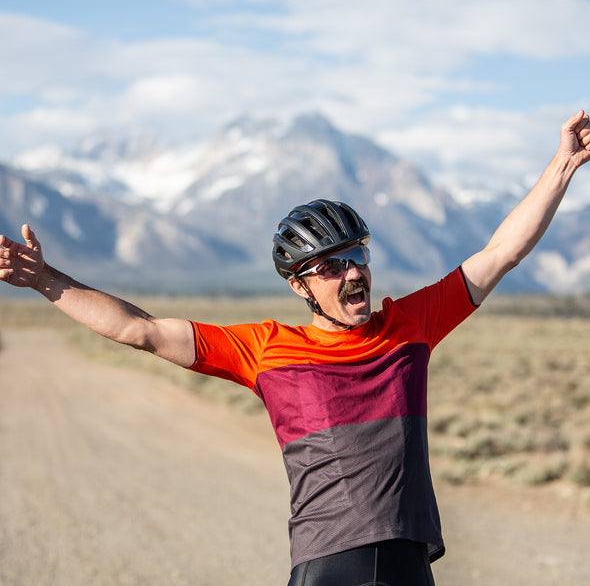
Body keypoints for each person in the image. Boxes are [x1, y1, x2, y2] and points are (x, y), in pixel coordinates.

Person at [1, 110, 589, 586]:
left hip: (411, 562)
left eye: (357, 255)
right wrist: (47, 281)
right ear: (299, 286)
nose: (352, 273)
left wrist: (563, 165)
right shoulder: (265, 350)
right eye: (331, 266)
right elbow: (142, 330)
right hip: (331, 564)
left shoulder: (411, 325)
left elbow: (499, 253)